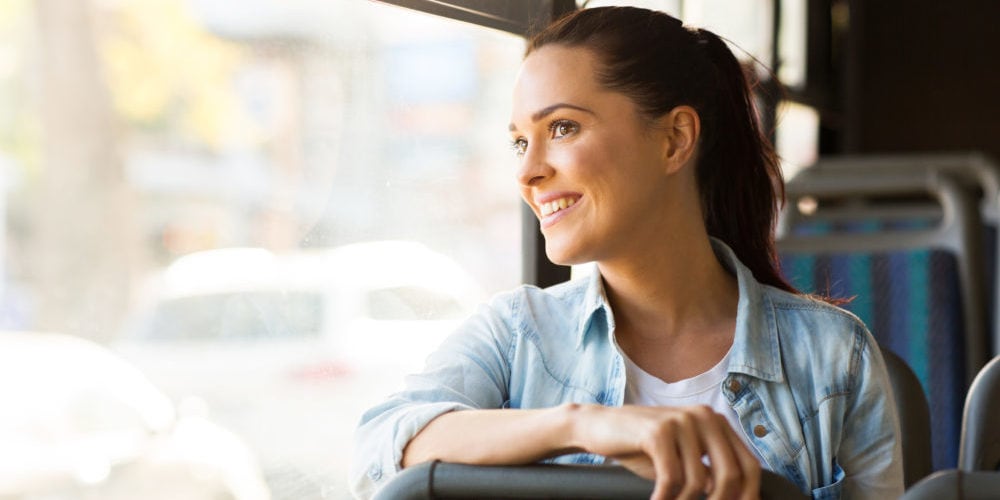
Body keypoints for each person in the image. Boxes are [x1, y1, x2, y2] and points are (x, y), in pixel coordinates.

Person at [351, 6, 902, 499]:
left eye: (562, 127)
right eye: (520, 141)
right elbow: (382, 445)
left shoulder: (835, 358)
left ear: (674, 139)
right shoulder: (517, 334)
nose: (526, 170)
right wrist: (579, 425)